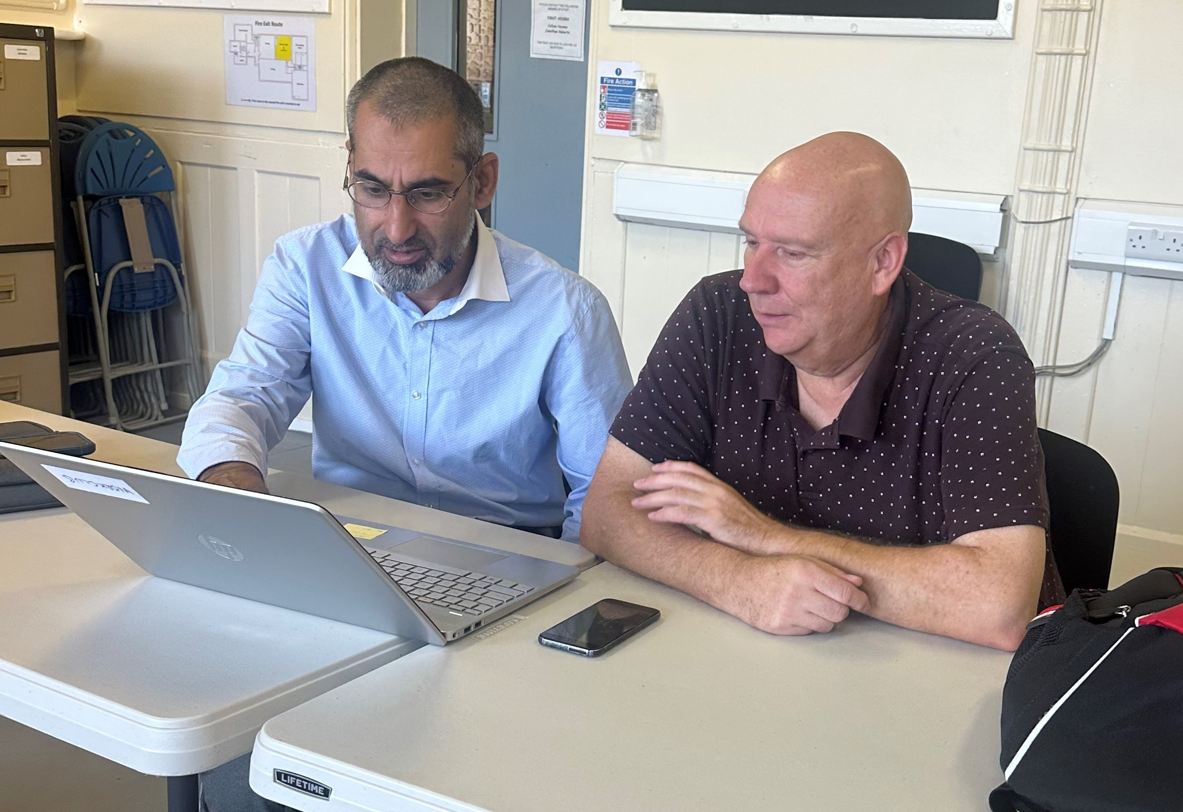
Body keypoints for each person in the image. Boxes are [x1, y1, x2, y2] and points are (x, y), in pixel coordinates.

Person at [581, 132, 1063, 652]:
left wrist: (762, 538)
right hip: (751, 657)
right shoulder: (717, 316)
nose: (753, 279)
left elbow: (999, 606)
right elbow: (609, 511)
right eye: (751, 242)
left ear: (882, 263)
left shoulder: (974, 354)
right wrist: (738, 581)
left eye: (792, 253)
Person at [178, 57, 631, 543]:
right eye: (372, 189)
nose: (396, 229)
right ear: (350, 166)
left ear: (482, 182)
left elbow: (610, 495)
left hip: (511, 550)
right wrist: (232, 487)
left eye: (427, 194)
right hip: (351, 544)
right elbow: (244, 396)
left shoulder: (566, 310)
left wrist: (563, 591)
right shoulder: (305, 266)